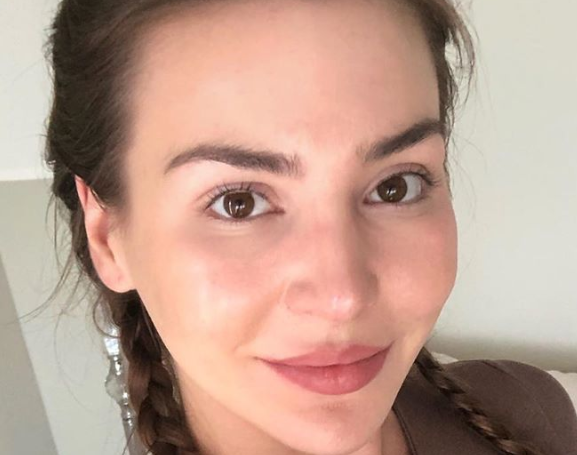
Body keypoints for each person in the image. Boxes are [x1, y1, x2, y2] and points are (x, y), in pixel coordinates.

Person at [42, 0, 577, 454]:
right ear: (108, 237)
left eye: (395, 186)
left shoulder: (529, 411)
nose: (343, 297)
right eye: (238, 203)